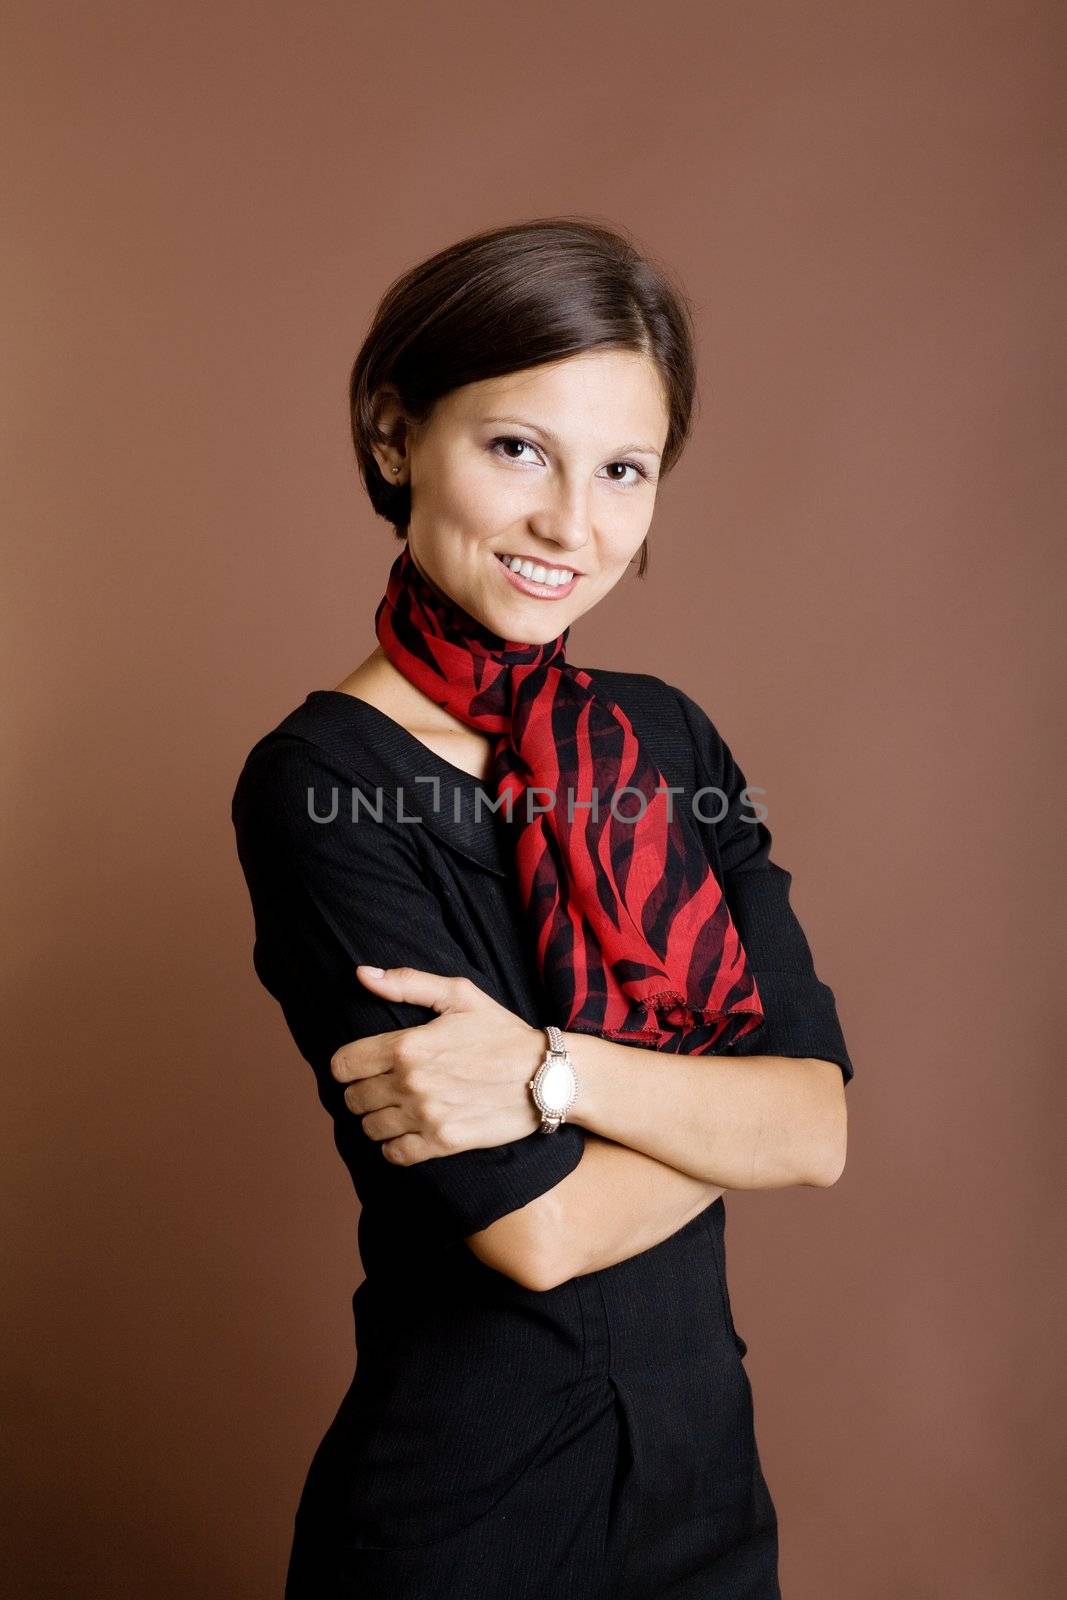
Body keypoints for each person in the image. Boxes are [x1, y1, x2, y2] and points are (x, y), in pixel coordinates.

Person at [231, 217, 853, 1600]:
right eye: (520, 448)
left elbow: (821, 1130)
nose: (574, 525)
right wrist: (724, 1107)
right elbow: (538, 1230)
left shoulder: (666, 745)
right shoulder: (319, 781)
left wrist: (548, 1074)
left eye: (623, 470)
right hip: (471, 1520)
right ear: (396, 437)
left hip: (705, 1497)